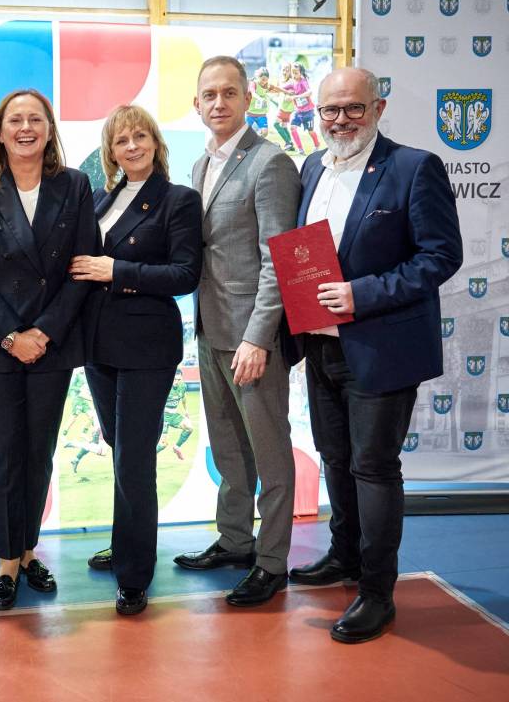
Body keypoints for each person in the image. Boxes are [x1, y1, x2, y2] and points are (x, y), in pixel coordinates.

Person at [288, 67, 462, 643]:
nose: (341, 120)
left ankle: (377, 592)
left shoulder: (414, 167)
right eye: (330, 110)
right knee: (336, 459)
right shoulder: (312, 167)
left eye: (353, 108)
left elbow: (440, 256)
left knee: (374, 468)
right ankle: (344, 555)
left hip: (382, 347)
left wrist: (362, 295)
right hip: (320, 343)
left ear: (378, 108)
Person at [0, 88, 96, 611]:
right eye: (15, 120)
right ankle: (6, 561)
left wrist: (45, 332)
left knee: (39, 453)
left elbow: (83, 267)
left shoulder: (74, 185)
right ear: (0, 132)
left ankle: (29, 550)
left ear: (50, 129)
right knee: (2, 455)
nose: (26, 128)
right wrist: (13, 335)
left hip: (51, 345)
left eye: (35, 119)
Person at [173, 56, 300, 607]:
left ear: (248, 98)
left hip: (253, 339)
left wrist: (258, 337)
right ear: (197, 105)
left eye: (229, 92)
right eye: (209, 95)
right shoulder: (201, 165)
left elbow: (279, 261)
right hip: (210, 329)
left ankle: (271, 562)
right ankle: (234, 541)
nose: (219, 103)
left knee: (269, 453)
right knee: (228, 448)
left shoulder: (270, 163)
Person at [70, 104, 202, 615]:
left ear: (155, 143)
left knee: (134, 458)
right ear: (110, 151)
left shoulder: (178, 200)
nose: (132, 146)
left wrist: (116, 270)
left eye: (140, 136)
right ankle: (124, 544)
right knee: (117, 446)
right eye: (122, 140)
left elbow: (185, 274)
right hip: (98, 345)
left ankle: (134, 574)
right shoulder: (101, 198)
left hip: (147, 346)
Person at [284, 62, 320, 155]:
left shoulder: (303, 81)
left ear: (301, 73)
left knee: (310, 131)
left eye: (296, 72)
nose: (294, 74)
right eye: (293, 72)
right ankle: (300, 149)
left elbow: (310, 92)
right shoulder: (292, 83)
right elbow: (282, 89)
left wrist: (296, 97)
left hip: (308, 112)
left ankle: (317, 145)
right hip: (298, 112)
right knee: (292, 128)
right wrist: (271, 88)